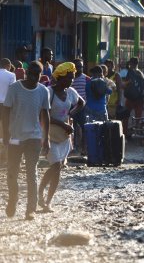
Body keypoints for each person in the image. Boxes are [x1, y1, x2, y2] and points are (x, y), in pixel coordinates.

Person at [3, 61, 50, 220]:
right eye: (31, 73)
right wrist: (5, 135)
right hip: (15, 137)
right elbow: (5, 111)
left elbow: (45, 115)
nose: (33, 77)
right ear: (25, 73)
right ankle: (13, 200)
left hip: (34, 137)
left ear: (40, 75)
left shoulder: (43, 91)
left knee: (32, 173)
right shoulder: (14, 88)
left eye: (37, 74)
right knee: (12, 173)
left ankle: (31, 209)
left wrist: (46, 137)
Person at [38, 62, 84, 212]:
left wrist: (70, 114)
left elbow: (82, 103)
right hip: (49, 134)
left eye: (72, 77)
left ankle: (44, 196)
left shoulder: (71, 92)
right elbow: (43, 115)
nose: (72, 80)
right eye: (69, 77)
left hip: (64, 136)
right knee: (56, 166)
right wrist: (62, 124)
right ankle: (44, 197)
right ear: (61, 78)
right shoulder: (49, 92)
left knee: (56, 167)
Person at [71, 58, 90, 154]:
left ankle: (84, 149)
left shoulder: (86, 79)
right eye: (77, 66)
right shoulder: (70, 78)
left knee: (84, 128)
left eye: (81, 66)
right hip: (71, 107)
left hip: (83, 107)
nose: (80, 68)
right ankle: (72, 148)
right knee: (71, 128)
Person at [123, 57, 144, 133]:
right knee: (138, 118)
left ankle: (125, 132)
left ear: (131, 63)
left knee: (125, 116)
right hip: (139, 99)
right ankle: (138, 132)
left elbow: (124, 84)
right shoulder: (141, 73)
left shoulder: (128, 72)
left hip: (130, 98)